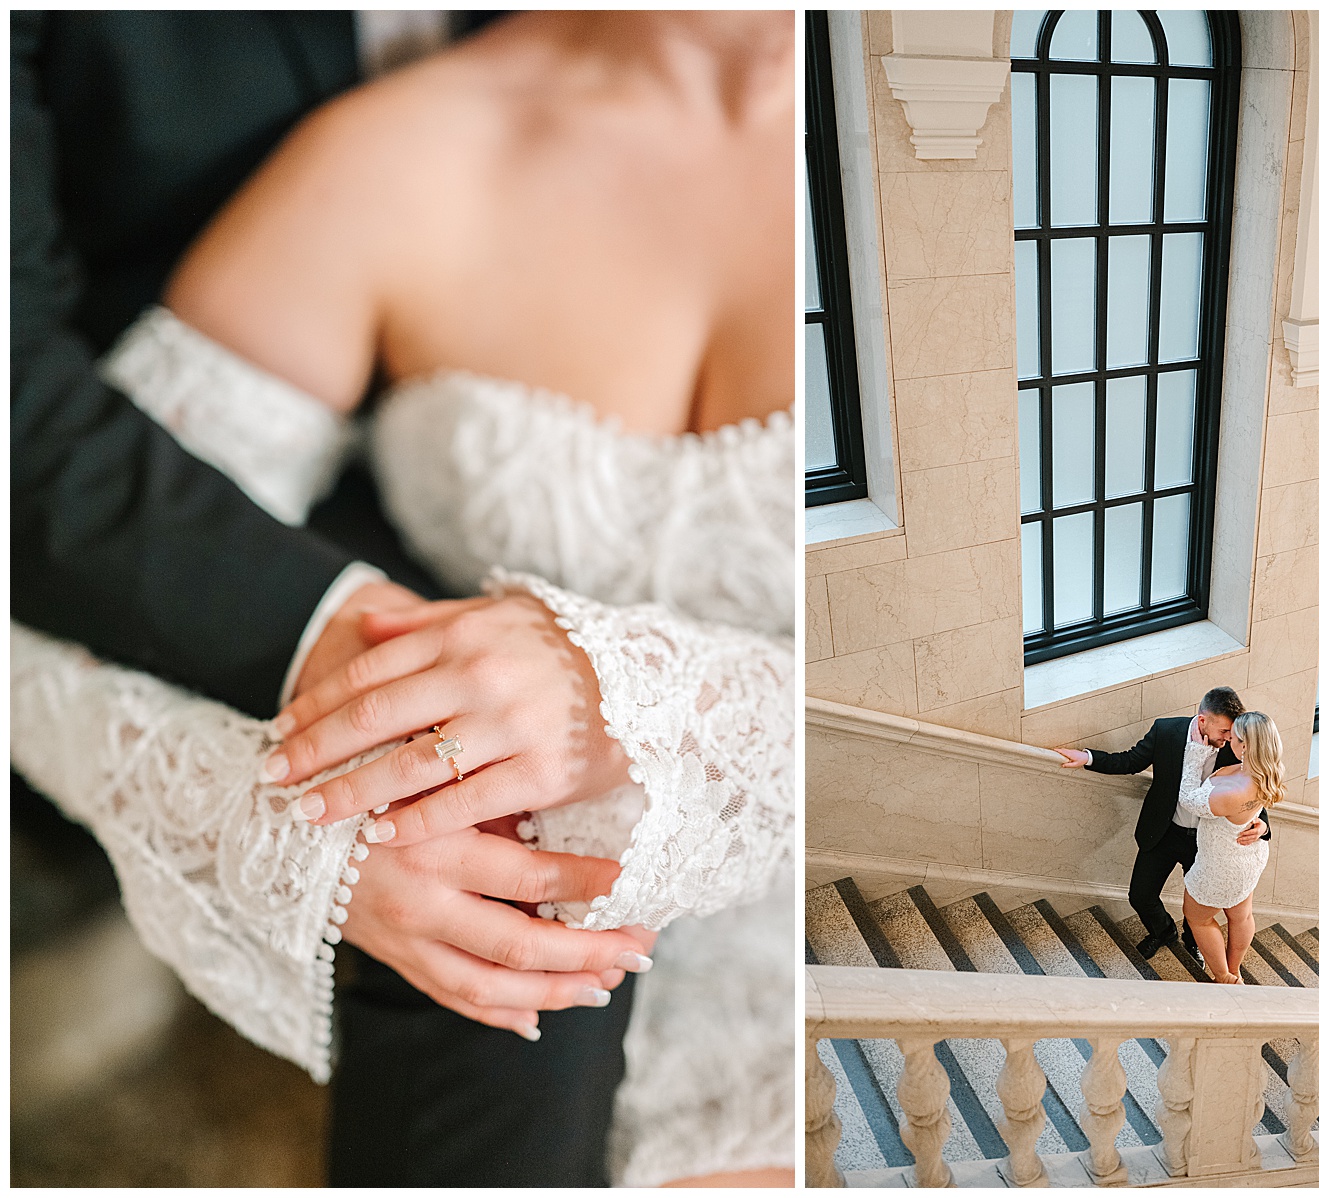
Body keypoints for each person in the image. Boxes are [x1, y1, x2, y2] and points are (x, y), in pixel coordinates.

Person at [11, 11, 794, 1187]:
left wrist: (635, 696)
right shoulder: (386, 154)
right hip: (495, 1022)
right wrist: (295, 827)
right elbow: (63, 573)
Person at [1056, 685, 1269, 960]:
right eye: (1224, 732)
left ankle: (1196, 942)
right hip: (1163, 832)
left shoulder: (1236, 745)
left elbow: (1254, 781)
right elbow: (1131, 761)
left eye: (1233, 733)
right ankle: (1164, 932)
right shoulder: (1167, 731)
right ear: (1203, 720)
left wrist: (1263, 823)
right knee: (1140, 896)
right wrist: (1088, 758)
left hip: (1207, 843)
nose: (1230, 739)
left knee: (1199, 908)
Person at [1175, 711, 1284, 983]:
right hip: (1248, 856)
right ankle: (1234, 970)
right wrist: (1262, 824)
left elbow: (1188, 798)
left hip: (1222, 865)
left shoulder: (1233, 792)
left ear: (1245, 745)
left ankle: (1224, 976)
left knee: (1196, 918)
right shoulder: (1267, 771)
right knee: (1241, 915)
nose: (1228, 740)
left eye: (1233, 737)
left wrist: (1196, 751)